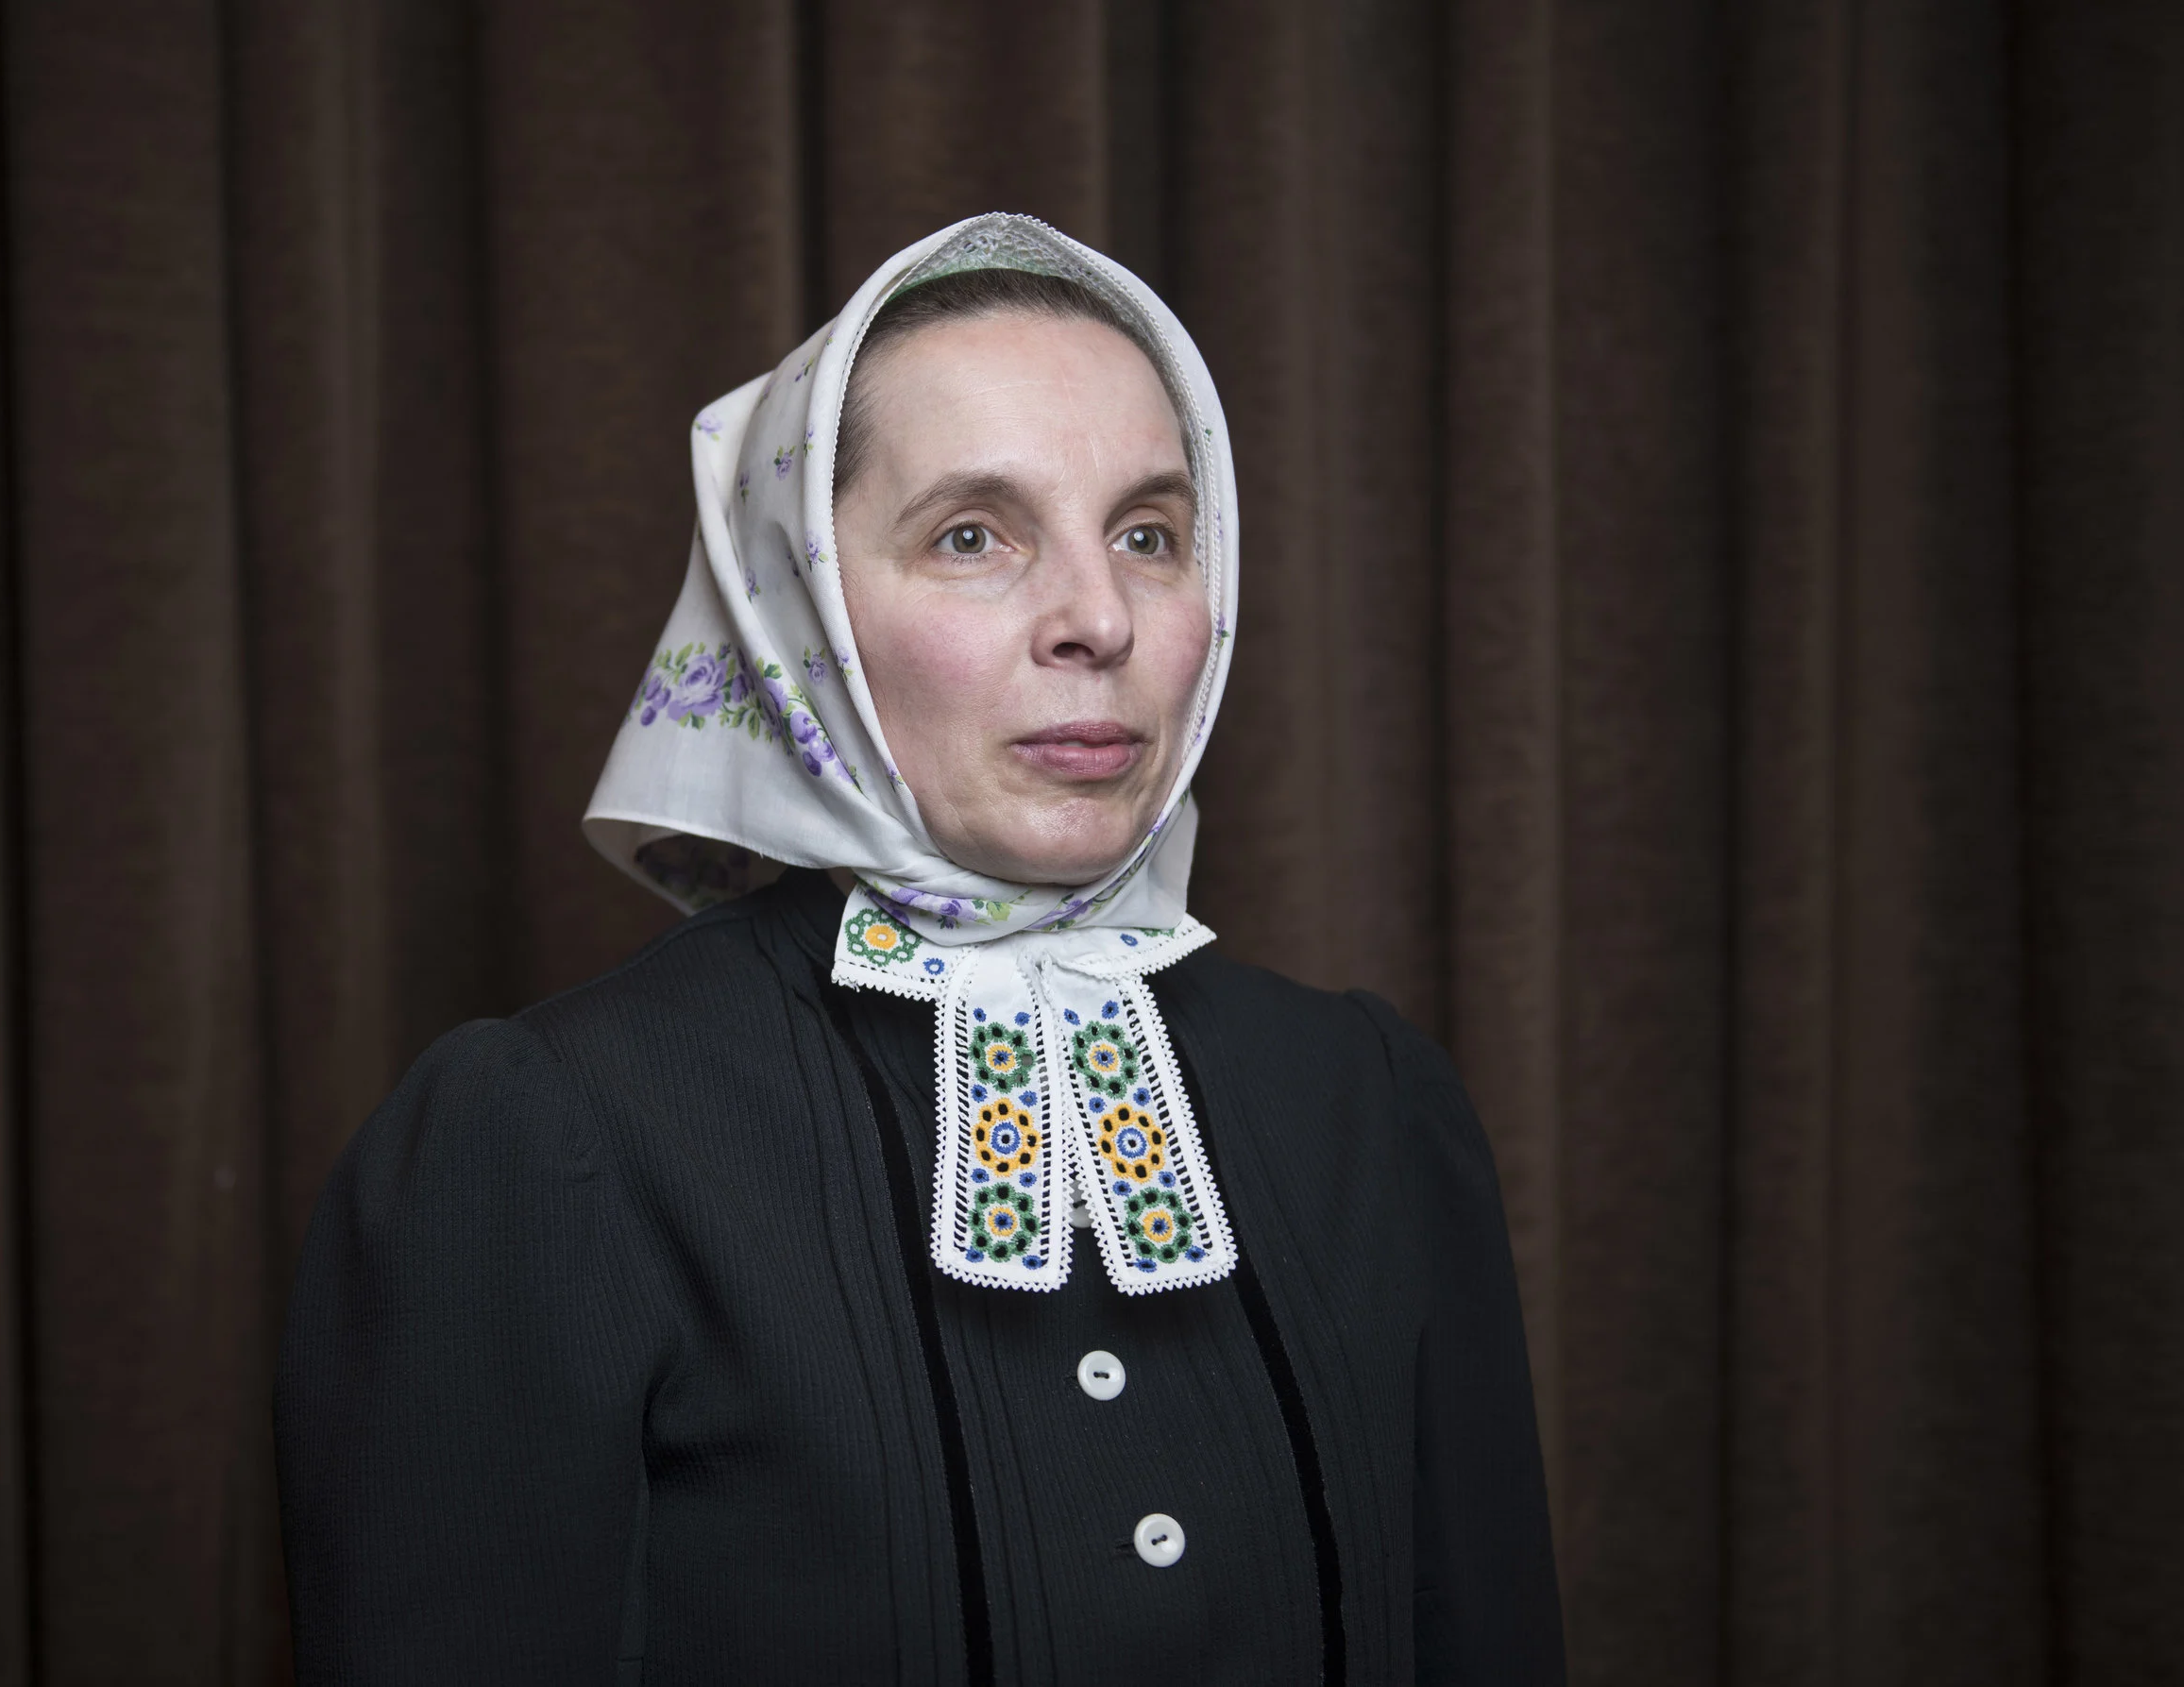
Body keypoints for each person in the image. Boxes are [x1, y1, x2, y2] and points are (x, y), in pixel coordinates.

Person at [276, 212, 1565, 1685]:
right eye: (973, 536)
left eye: (1149, 534)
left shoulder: (1369, 1103)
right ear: (800, 609)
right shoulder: (549, 1141)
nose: (1098, 618)